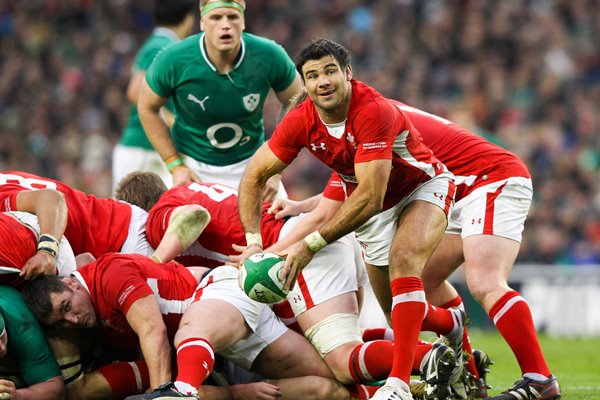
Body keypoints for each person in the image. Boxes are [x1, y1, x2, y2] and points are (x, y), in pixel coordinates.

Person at [267, 99, 561, 400]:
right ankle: (467, 372)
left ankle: (539, 378)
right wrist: (298, 205)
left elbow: (329, 212)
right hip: (454, 188)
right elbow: (343, 191)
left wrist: (266, 254)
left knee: (484, 282)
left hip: (488, 178)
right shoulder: (360, 120)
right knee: (424, 283)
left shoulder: (364, 124)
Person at [236, 38, 466, 400]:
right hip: (371, 207)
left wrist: (309, 244)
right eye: (312, 76)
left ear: (347, 73)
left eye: (330, 71)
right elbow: (253, 176)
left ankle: (399, 386)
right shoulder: (300, 121)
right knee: (396, 311)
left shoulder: (371, 110)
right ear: (305, 84)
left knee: (403, 262)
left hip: (421, 186)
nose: (322, 81)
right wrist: (253, 241)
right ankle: (449, 322)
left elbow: (372, 195)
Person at [115, 172, 465, 399]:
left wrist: (155, 262)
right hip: (307, 247)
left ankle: (425, 358)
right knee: (335, 355)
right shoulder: (195, 188)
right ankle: (437, 350)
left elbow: (192, 216)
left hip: (295, 256)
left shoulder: (160, 211)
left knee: (340, 361)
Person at [22, 253, 350, 400]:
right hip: (216, 345)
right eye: (61, 322)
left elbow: (154, 331)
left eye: (67, 307)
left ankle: (175, 396)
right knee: (332, 382)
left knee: (185, 346)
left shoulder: (108, 276)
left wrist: (162, 392)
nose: (73, 320)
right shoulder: (89, 309)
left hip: (216, 297)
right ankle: (390, 379)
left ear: (72, 284)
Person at [137, 0, 303, 200]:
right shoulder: (172, 59)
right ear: (202, 23)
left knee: (285, 229)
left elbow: (298, 102)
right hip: (192, 168)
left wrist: (275, 168)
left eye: (232, 17)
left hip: (253, 164)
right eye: (216, 17)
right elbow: (146, 107)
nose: (225, 25)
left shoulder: (270, 55)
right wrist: (174, 165)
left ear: (242, 22)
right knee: (168, 228)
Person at [0, 170, 210, 262]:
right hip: (118, 223)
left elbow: (50, 199)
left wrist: (47, 251)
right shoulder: (6, 177)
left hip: (119, 241)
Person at [112, 0, 196, 192]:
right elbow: (135, 91)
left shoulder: (156, 43)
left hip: (146, 150)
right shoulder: (163, 47)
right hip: (145, 149)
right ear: (188, 19)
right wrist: (170, 120)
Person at [0, 285, 64, 400]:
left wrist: (16, 396)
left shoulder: (24, 327)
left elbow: (57, 390)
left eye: (0, 336)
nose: (0, 348)